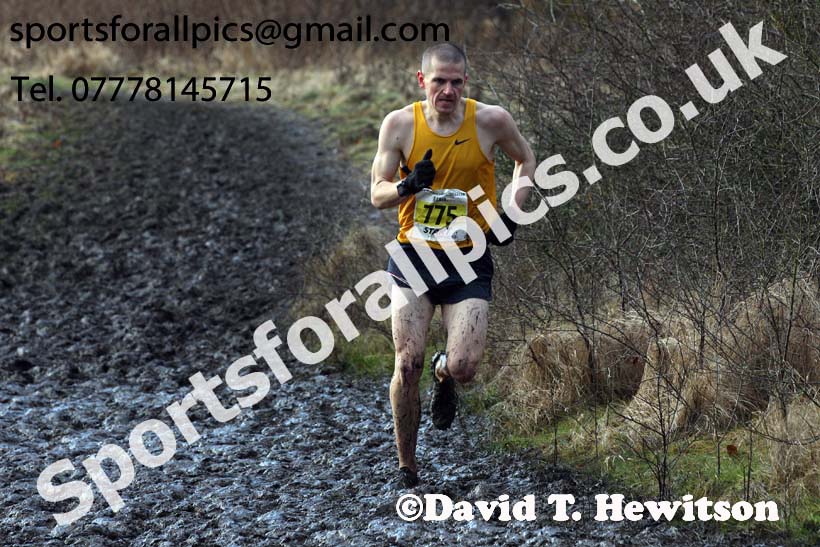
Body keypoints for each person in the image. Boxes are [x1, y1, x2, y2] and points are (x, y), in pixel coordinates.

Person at [370, 43, 536, 488]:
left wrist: (513, 211)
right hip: (413, 257)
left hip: (468, 257)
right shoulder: (400, 124)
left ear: (466, 81)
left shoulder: (491, 121)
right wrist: (407, 185)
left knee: (464, 366)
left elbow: (525, 160)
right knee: (407, 363)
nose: (447, 90)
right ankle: (407, 467)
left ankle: (444, 374)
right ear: (421, 80)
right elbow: (376, 193)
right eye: (438, 81)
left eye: (456, 82)